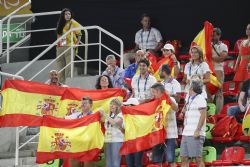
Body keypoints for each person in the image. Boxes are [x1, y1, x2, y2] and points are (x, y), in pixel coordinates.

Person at [180, 80, 207, 167]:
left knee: (198, 159)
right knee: (184, 158)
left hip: (195, 133)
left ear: (191, 88)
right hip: (186, 132)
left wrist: (198, 130)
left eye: (189, 87)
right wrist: (182, 112)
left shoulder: (200, 98)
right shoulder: (189, 99)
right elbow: (186, 109)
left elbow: (203, 115)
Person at [150, 83, 178, 167]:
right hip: (158, 135)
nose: (153, 94)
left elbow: (176, 108)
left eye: (154, 92)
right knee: (157, 161)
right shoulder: (154, 102)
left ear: (159, 91)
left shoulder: (170, 99)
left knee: (171, 160)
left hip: (169, 134)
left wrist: (168, 97)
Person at [65, 96, 94, 167]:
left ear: (90, 105)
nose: (83, 104)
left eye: (85, 103)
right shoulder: (75, 115)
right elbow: (62, 120)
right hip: (76, 144)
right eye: (82, 103)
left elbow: (103, 120)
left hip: (89, 145)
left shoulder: (94, 115)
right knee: (74, 164)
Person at [56, 8, 82, 83]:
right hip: (60, 46)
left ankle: (67, 83)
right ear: (63, 15)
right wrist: (58, 45)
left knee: (68, 67)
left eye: (69, 14)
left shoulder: (73, 23)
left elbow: (79, 34)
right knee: (60, 66)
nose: (68, 15)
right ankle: (61, 83)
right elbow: (59, 35)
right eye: (66, 14)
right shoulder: (60, 23)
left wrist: (76, 44)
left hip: (69, 46)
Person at [209, 27, 228, 113]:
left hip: (218, 69)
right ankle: (210, 113)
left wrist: (209, 56)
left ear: (219, 36)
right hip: (209, 70)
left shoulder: (223, 46)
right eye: (211, 35)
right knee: (209, 92)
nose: (212, 37)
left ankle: (218, 113)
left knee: (219, 92)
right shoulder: (207, 45)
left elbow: (221, 58)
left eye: (214, 35)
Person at [101, 98, 124, 167]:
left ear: (118, 106)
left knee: (115, 163)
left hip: (117, 140)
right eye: (110, 105)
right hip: (107, 140)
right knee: (108, 163)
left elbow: (114, 123)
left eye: (113, 105)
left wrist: (104, 114)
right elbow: (100, 120)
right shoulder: (109, 115)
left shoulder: (121, 115)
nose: (111, 106)